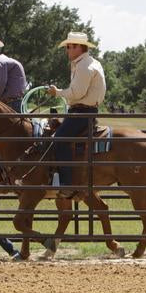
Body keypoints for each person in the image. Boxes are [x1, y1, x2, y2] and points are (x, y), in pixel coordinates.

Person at [46, 31, 106, 197]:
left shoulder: (84, 66)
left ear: (80, 47)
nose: (68, 50)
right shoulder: (89, 63)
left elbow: (77, 92)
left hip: (81, 112)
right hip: (84, 110)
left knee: (59, 139)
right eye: (67, 47)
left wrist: (57, 92)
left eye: (71, 47)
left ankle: (67, 183)